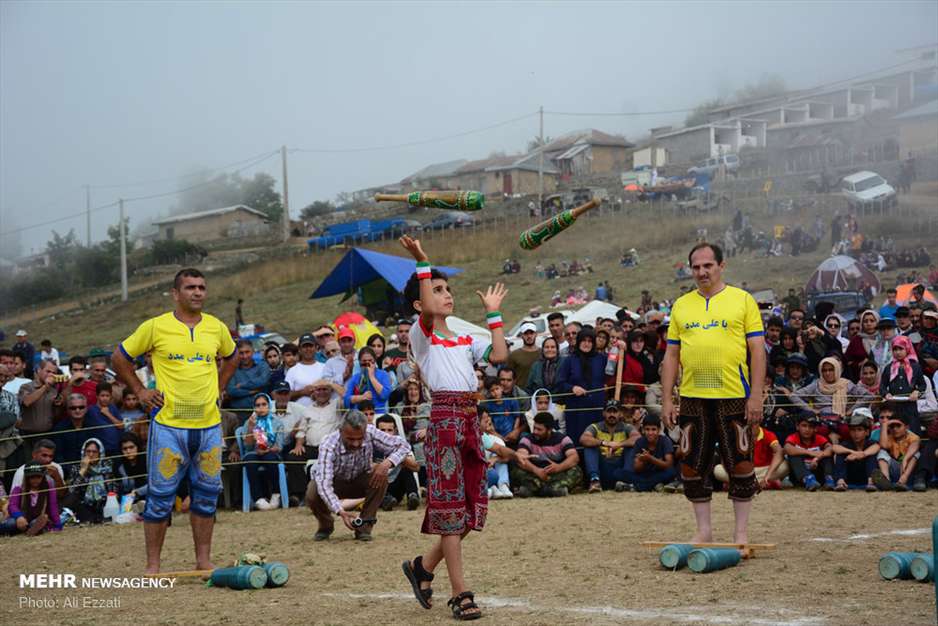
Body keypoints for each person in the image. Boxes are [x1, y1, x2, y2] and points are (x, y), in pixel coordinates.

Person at [398, 235, 507, 621]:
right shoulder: (421, 335)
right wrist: (422, 261)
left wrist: (493, 314)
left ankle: (423, 568)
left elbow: (499, 354)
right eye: (438, 290)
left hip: (469, 419)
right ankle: (460, 594)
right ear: (420, 303)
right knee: (450, 513)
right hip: (444, 421)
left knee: (470, 509)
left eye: (448, 290)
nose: (446, 296)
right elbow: (429, 307)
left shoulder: (464, 338)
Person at [110, 267, 238, 575]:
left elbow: (232, 357)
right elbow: (119, 357)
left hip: (208, 428)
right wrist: (140, 390)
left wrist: (219, 387)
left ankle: (203, 561)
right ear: (175, 293)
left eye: (202, 287)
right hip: (169, 427)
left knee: (206, 497)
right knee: (160, 499)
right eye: (191, 287)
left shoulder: (216, 327)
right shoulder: (155, 327)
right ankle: (153, 566)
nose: (198, 292)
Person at [661, 242, 765, 546]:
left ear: (721, 265)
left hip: (734, 394)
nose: (702, 272)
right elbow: (671, 355)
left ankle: (740, 532)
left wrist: (756, 394)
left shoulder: (742, 300)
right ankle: (704, 531)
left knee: (740, 463)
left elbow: (757, 350)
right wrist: (667, 399)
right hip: (692, 397)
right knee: (692, 465)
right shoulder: (681, 305)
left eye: (708, 265)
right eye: (696, 267)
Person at [306, 410, 410, 540]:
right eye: (350, 439)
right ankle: (326, 524)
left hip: (361, 479)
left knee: (381, 476)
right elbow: (324, 483)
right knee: (313, 490)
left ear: (365, 431)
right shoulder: (328, 443)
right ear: (341, 431)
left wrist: (387, 463)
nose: (355, 443)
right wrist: (340, 511)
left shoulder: (370, 431)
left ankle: (364, 527)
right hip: (336, 482)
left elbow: (404, 445)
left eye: (360, 438)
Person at [791, 357, 872, 443]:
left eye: (831, 370)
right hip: (823, 419)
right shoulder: (817, 384)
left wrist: (851, 410)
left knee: (847, 430)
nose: (827, 373)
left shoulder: (846, 384)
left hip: (842, 419)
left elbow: (868, 396)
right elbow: (793, 396)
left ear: (837, 370)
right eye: (824, 370)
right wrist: (811, 410)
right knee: (819, 430)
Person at [511, 412, 582, 497]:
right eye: (534, 428)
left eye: (539, 429)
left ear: (549, 430)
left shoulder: (563, 439)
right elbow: (520, 458)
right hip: (535, 474)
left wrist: (559, 467)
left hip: (557, 473)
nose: (535, 431)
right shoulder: (527, 439)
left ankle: (534, 489)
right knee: (517, 470)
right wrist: (536, 470)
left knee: (576, 470)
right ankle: (554, 490)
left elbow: (574, 457)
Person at [556, 327, 607, 445]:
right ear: (578, 341)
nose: (586, 344)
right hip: (576, 410)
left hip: (596, 409)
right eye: (583, 340)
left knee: (597, 441)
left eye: (590, 341)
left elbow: (615, 371)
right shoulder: (569, 360)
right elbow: (560, 383)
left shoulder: (602, 359)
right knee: (577, 441)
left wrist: (620, 348)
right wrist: (572, 388)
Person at [580, 399, 639, 492]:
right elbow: (583, 438)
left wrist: (619, 444)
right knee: (590, 445)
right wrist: (604, 443)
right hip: (602, 468)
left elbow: (638, 438)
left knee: (631, 446)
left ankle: (626, 481)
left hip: (620, 469)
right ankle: (595, 481)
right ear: (603, 413)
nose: (612, 415)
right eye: (609, 411)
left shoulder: (627, 427)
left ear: (620, 414)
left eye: (615, 412)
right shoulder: (595, 427)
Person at [239, 393, 285, 510]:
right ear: (254, 408)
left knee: (269, 458)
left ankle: (276, 494)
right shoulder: (249, 422)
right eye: (258, 405)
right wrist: (251, 427)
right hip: (253, 452)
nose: (261, 408)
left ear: (269, 406)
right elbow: (248, 446)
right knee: (250, 460)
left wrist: (266, 449)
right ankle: (258, 498)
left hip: (271, 452)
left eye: (264, 404)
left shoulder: (277, 422)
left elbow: (279, 446)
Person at [51, 392, 119, 462]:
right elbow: (58, 455)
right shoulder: (59, 428)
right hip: (67, 466)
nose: (77, 410)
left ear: (86, 409)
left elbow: (101, 451)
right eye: (73, 408)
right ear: (67, 410)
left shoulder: (95, 427)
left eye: (81, 407)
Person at [879, 335, 926, 435]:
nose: (898, 352)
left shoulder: (915, 367)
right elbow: (882, 385)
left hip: (910, 405)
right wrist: (886, 394)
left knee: (912, 431)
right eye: (895, 349)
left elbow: (922, 384)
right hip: (894, 406)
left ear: (907, 348)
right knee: (895, 430)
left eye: (901, 349)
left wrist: (917, 392)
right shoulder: (889, 368)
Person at [374, 415, 421, 511]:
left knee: (406, 468)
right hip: (379, 488)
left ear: (395, 431)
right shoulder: (371, 446)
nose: (386, 434)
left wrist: (398, 455)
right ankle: (385, 500)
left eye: (389, 430)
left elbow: (416, 468)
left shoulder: (402, 444)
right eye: (382, 430)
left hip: (396, 486)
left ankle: (412, 496)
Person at [17, 360, 63, 457]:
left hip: (47, 434)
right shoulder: (26, 387)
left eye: (54, 373)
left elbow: (56, 416)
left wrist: (58, 405)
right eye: (48, 371)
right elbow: (27, 402)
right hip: (28, 436)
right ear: (38, 370)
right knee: (29, 463)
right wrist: (45, 387)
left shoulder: (54, 390)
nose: (51, 375)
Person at [2, 462, 61, 536]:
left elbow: (53, 507)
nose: (35, 480)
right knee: (10, 523)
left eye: (38, 477)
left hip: (37, 517)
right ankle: (20, 529)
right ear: (26, 477)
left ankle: (31, 530)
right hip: (21, 517)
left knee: (40, 521)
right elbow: (12, 505)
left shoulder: (49, 489)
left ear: (43, 477)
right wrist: (19, 517)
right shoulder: (19, 489)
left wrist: (58, 525)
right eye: (32, 477)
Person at [64, 438, 112, 524]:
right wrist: (83, 470)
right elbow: (71, 490)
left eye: (94, 452)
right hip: (84, 506)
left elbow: (112, 489)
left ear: (100, 453)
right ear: (84, 452)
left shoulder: (106, 467)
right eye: (88, 451)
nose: (91, 454)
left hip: (103, 505)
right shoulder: (77, 468)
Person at [623, 414, 676, 492]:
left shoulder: (665, 441)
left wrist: (650, 458)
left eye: (653, 429)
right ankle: (654, 485)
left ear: (659, 430)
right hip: (644, 474)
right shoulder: (640, 442)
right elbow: (636, 469)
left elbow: (669, 465)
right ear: (643, 430)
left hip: (659, 473)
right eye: (647, 429)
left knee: (671, 472)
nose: (650, 433)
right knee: (618, 473)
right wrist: (642, 461)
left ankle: (636, 487)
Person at [874, 406, 922, 491]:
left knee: (916, 454)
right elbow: (883, 446)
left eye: (898, 426)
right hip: (895, 470)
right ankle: (886, 480)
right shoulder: (889, 437)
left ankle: (902, 481)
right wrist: (885, 425)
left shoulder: (913, 437)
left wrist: (905, 460)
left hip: (909, 471)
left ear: (906, 427)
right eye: (892, 426)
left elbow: (915, 446)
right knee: (882, 452)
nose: (895, 429)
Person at [831, 408, 879, 491]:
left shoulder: (870, 443)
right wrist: (853, 452)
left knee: (871, 456)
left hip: (865, 476)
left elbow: (876, 447)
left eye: (859, 430)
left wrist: (862, 454)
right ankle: (841, 482)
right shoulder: (847, 443)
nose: (856, 433)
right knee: (840, 454)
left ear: (867, 432)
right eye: (853, 430)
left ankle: (871, 482)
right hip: (850, 476)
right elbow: (835, 447)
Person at [783, 414, 834, 491]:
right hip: (799, 475)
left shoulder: (819, 438)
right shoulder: (793, 437)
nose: (807, 429)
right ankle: (808, 479)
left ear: (815, 429)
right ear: (797, 426)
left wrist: (817, 458)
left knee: (827, 457)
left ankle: (829, 479)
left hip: (817, 472)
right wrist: (810, 453)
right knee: (793, 456)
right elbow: (787, 448)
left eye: (811, 426)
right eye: (804, 426)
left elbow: (830, 449)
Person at [479, 407, 516, 499]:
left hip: (491, 470)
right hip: (482, 470)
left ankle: (503, 485)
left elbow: (507, 456)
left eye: (489, 423)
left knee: (500, 458)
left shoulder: (497, 440)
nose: (487, 426)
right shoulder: (479, 435)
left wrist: (495, 459)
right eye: (485, 422)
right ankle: (492, 487)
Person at [225, 340, 271, 413]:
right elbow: (231, 391)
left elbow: (263, 381)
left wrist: (242, 385)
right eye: (241, 353)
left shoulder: (262, 365)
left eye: (247, 352)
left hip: (261, 412)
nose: (245, 356)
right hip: (238, 412)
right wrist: (250, 392)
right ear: (237, 354)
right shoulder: (232, 369)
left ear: (253, 351)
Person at [344, 347, 392, 413]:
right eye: (364, 361)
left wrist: (372, 377)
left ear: (374, 360)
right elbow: (346, 401)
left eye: (370, 360)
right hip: (359, 414)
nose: (367, 363)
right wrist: (362, 397)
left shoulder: (383, 374)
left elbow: (385, 395)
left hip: (378, 412)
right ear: (359, 361)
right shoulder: (355, 377)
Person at [286, 334, 327, 407]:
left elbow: (332, 389)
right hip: (300, 412)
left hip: (323, 411)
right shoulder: (292, 371)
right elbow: (285, 394)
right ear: (299, 349)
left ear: (316, 348)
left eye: (310, 346)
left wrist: (318, 392)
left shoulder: (325, 367)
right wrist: (302, 392)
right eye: (304, 346)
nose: (308, 349)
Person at [480, 376, 522, 446]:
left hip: (512, 436)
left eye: (497, 388)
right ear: (489, 392)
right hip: (496, 437)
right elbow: (490, 423)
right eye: (492, 391)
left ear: (501, 388)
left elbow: (517, 417)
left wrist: (514, 431)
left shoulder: (512, 401)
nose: (495, 392)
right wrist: (499, 436)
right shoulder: (488, 405)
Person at [115, 431, 148, 503]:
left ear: (137, 447)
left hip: (148, 499)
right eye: (125, 449)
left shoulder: (147, 461)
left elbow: (155, 485)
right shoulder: (119, 465)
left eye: (131, 447)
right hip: (127, 502)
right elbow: (119, 487)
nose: (128, 451)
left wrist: (137, 492)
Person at [507, 322, 541, 389]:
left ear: (536, 334)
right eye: (526, 333)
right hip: (521, 392)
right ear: (521, 335)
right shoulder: (513, 355)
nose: (529, 336)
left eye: (531, 333)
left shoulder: (543, 353)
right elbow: (509, 377)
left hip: (540, 392)